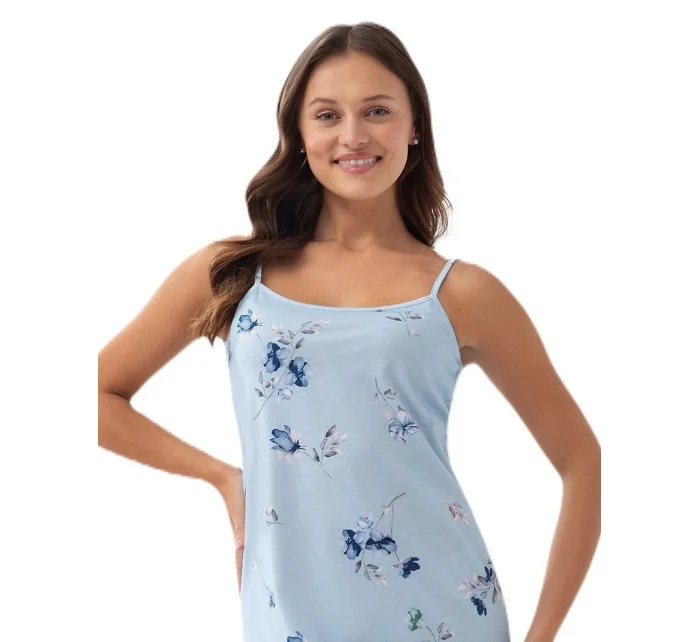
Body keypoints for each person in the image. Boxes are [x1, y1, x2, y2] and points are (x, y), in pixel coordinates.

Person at [98, 21, 600, 642]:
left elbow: (581, 459)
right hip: (289, 619)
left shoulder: (462, 294)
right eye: (328, 115)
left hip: (443, 614)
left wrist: (541, 638)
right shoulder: (233, 275)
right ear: (300, 133)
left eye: (377, 111)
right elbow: (96, 396)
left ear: (414, 126)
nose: (354, 135)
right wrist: (224, 478)